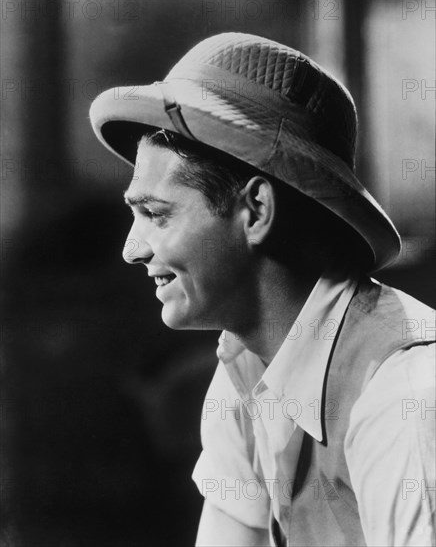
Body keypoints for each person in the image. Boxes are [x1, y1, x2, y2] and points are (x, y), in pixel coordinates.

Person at [89, 33, 435, 547]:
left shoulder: (403, 396)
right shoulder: (247, 371)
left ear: (256, 211)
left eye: (156, 215)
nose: (132, 249)